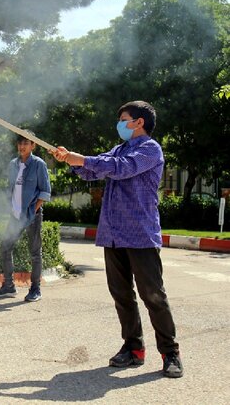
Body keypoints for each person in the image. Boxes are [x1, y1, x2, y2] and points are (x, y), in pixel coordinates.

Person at [50, 100, 183, 379]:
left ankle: (170, 353)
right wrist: (71, 160)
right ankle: (133, 348)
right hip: (113, 234)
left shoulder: (150, 149)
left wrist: (82, 158)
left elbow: (121, 168)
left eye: (124, 119)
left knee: (153, 295)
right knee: (122, 295)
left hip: (140, 234)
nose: (120, 123)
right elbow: (93, 170)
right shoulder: (119, 149)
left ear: (139, 122)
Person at [0, 132, 51, 302]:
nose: (22, 146)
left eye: (26, 142)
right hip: (15, 215)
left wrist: (32, 211)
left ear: (33, 145)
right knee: (5, 247)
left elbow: (45, 192)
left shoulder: (39, 164)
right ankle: (8, 286)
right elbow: (11, 189)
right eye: (19, 143)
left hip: (32, 216)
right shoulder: (13, 164)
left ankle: (35, 289)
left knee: (34, 253)